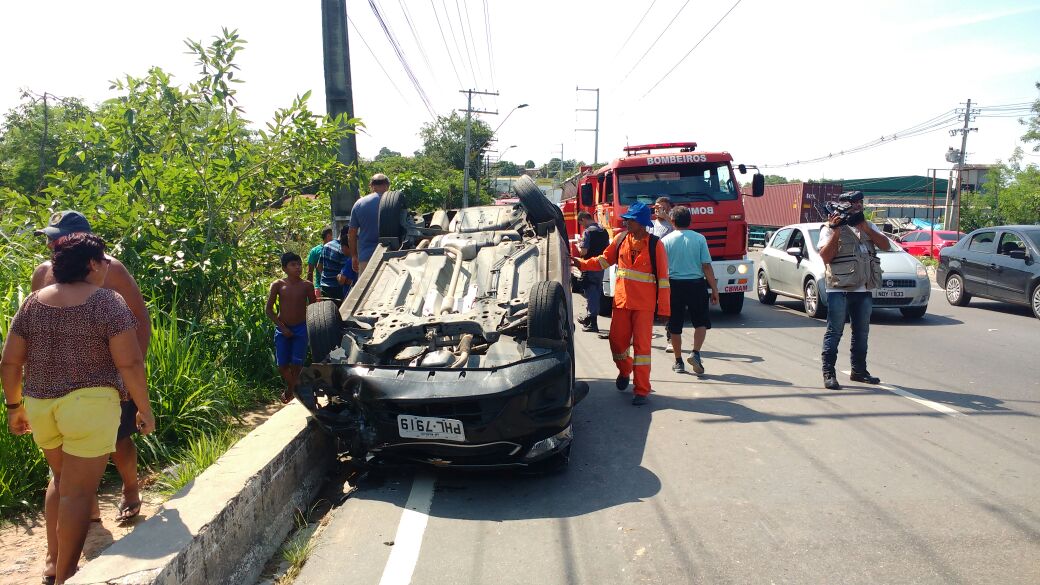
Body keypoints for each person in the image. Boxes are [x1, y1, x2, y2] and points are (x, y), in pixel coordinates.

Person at [3, 232, 155, 585]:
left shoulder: (34, 302)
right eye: (103, 260)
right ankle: (65, 577)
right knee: (76, 492)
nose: (107, 266)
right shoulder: (107, 302)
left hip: (41, 406)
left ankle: (54, 562)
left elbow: (10, 363)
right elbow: (130, 363)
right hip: (89, 409)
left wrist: (14, 407)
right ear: (91, 264)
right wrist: (143, 408)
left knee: (61, 480)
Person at [30, 211, 150, 525]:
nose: (50, 244)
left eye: (55, 237)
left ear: (78, 239)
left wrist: (132, 377)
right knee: (71, 451)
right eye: (49, 238)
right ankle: (87, 507)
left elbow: (140, 321)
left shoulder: (112, 270)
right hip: (61, 383)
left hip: (109, 377)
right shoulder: (43, 273)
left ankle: (131, 489)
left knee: (119, 440)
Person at [574, 202, 670, 406]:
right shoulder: (620, 239)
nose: (626, 222)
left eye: (631, 220)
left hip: (644, 306)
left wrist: (664, 309)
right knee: (617, 343)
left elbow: (663, 280)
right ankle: (625, 370)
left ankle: (642, 390)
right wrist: (581, 263)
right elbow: (603, 261)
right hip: (622, 302)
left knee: (642, 349)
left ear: (642, 222)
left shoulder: (655, 245)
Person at [818, 191, 890, 390]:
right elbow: (825, 257)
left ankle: (859, 371)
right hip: (839, 288)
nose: (857, 206)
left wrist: (865, 227)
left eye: (860, 202)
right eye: (853, 203)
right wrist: (837, 231)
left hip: (863, 288)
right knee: (835, 331)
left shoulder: (868, 226)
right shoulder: (828, 228)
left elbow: (886, 245)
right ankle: (829, 373)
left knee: (861, 332)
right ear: (842, 205)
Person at [661, 206, 719, 374]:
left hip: (674, 286)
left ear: (672, 221)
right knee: (701, 322)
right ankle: (695, 352)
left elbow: (662, 268)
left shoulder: (666, 241)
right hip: (696, 284)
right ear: (690, 221)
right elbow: (706, 266)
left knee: (675, 324)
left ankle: (678, 362)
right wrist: (714, 289)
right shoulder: (700, 239)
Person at [266, 252, 317, 404]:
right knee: (282, 366)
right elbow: (269, 310)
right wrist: (282, 328)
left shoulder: (307, 285)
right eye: (293, 265)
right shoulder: (278, 285)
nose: (298, 267)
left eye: (299, 264)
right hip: (283, 329)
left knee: (296, 365)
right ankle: (298, 388)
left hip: (301, 329)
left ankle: (290, 391)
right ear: (284, 268)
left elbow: (313, 308)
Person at [349, 174, 391, 275]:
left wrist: (354, 256)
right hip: (391, 256)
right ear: (387, 186)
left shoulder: (359, 203)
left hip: (366, 258)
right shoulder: (394, 201)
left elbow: (351, 233)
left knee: (365, 289)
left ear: (372, 186)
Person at [574, 211, 609, 333]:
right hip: (600, 265)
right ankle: (589, 318)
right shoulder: (603, 230)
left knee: (591, 293)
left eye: (581, 223)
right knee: (596, 291)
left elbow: (583, 252)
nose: (582, 226)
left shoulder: (588, 232)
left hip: (589, 265)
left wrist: (578, 245)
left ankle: (592, 321)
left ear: (583, 219)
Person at [318, 230, 351, 302]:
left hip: (324, 285)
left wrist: (326, 277)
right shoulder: (343, 249)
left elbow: (319, 265)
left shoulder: (326, 245)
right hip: (336, 288)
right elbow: (343, 275)